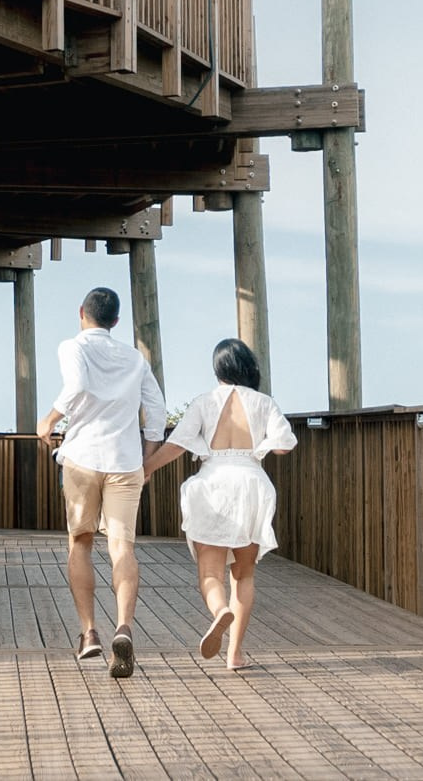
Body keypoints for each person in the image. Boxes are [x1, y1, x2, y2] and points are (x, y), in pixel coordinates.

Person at [142, 338, 297, 671]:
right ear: (249, 367)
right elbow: (285, 445)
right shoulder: (264, 403)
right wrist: (260, 448)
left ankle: (218, 612)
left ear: (219, 369)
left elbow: (178, 445)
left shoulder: (204, 402)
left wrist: (147, 469)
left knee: (210, 573)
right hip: (251, 485)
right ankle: (235, 654)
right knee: (244, 575)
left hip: (211, 484)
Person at [36, 286, 166, 679]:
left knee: (80, 542)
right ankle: (124, 627)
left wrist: (49, 420)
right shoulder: (134, 358)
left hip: (83, 458)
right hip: (125, 463)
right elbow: (156, 411)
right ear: (116, 322)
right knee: (122, 547)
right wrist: (146, 458)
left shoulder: (73, 347)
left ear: (81, 313)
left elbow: (75, 387)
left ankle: (89, 632)